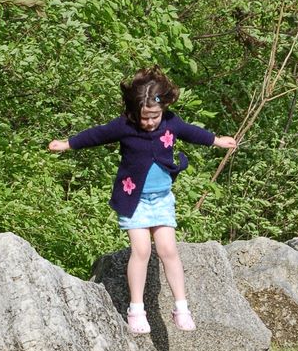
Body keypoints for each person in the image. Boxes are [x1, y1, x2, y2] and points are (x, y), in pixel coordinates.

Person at [48, 67, 236, 334]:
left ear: (163, 108)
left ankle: (182, 307)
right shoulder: (125, 126)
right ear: (135, 111)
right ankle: (136, 309)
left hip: (162, 199)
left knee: (168, 250)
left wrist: (217, 141)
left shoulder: (171, 122)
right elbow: (97, 134)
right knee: (142, 251)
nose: (149, 122)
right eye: (144, 117)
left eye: (154, 116)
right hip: (133, 201)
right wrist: (68, 144)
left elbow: (193, 132)